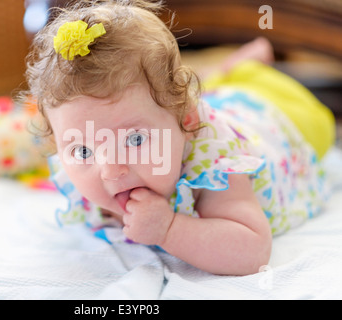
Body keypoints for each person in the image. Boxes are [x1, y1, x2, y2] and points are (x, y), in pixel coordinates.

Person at [25, 0, 335, 275]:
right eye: (82, 151)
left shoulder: (217, 167)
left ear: (187, 120)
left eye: (134, 140)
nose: (109, 170)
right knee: (197, 89)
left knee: (318, 122)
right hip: (203, 101)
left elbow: (253, 252)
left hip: (271, 114)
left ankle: (246, 69)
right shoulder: (94, 161)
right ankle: (227, 71)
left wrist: (169, 229)